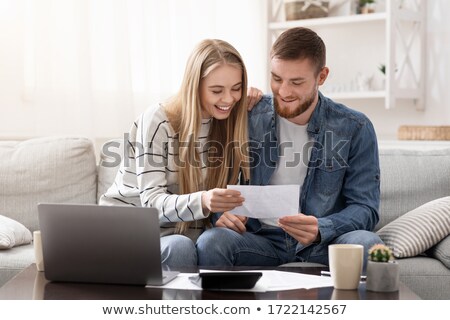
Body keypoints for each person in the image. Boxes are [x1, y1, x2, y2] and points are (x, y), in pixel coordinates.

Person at [196, 27, 383, 268]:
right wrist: (223, 216)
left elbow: (365, 208)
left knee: (368, 243)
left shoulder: (355, 127)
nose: (283, 92)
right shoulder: (249, 115)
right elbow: (216, 182)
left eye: (296, 82)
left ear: (322, 76)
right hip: (260, 240)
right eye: (276, 79)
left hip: (324, 242)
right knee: (211, 241)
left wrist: (321, 228)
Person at [100, 39, 252, 268]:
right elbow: (151, 205)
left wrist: (220, 215)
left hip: (181, 233)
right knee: (180, 247)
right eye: (216, 90)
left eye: (236, 88)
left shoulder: (227, 123)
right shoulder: (158, 120)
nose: (228, 99)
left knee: (208, 242)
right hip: (131, 230)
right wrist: (204, 201)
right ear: (194, 86)